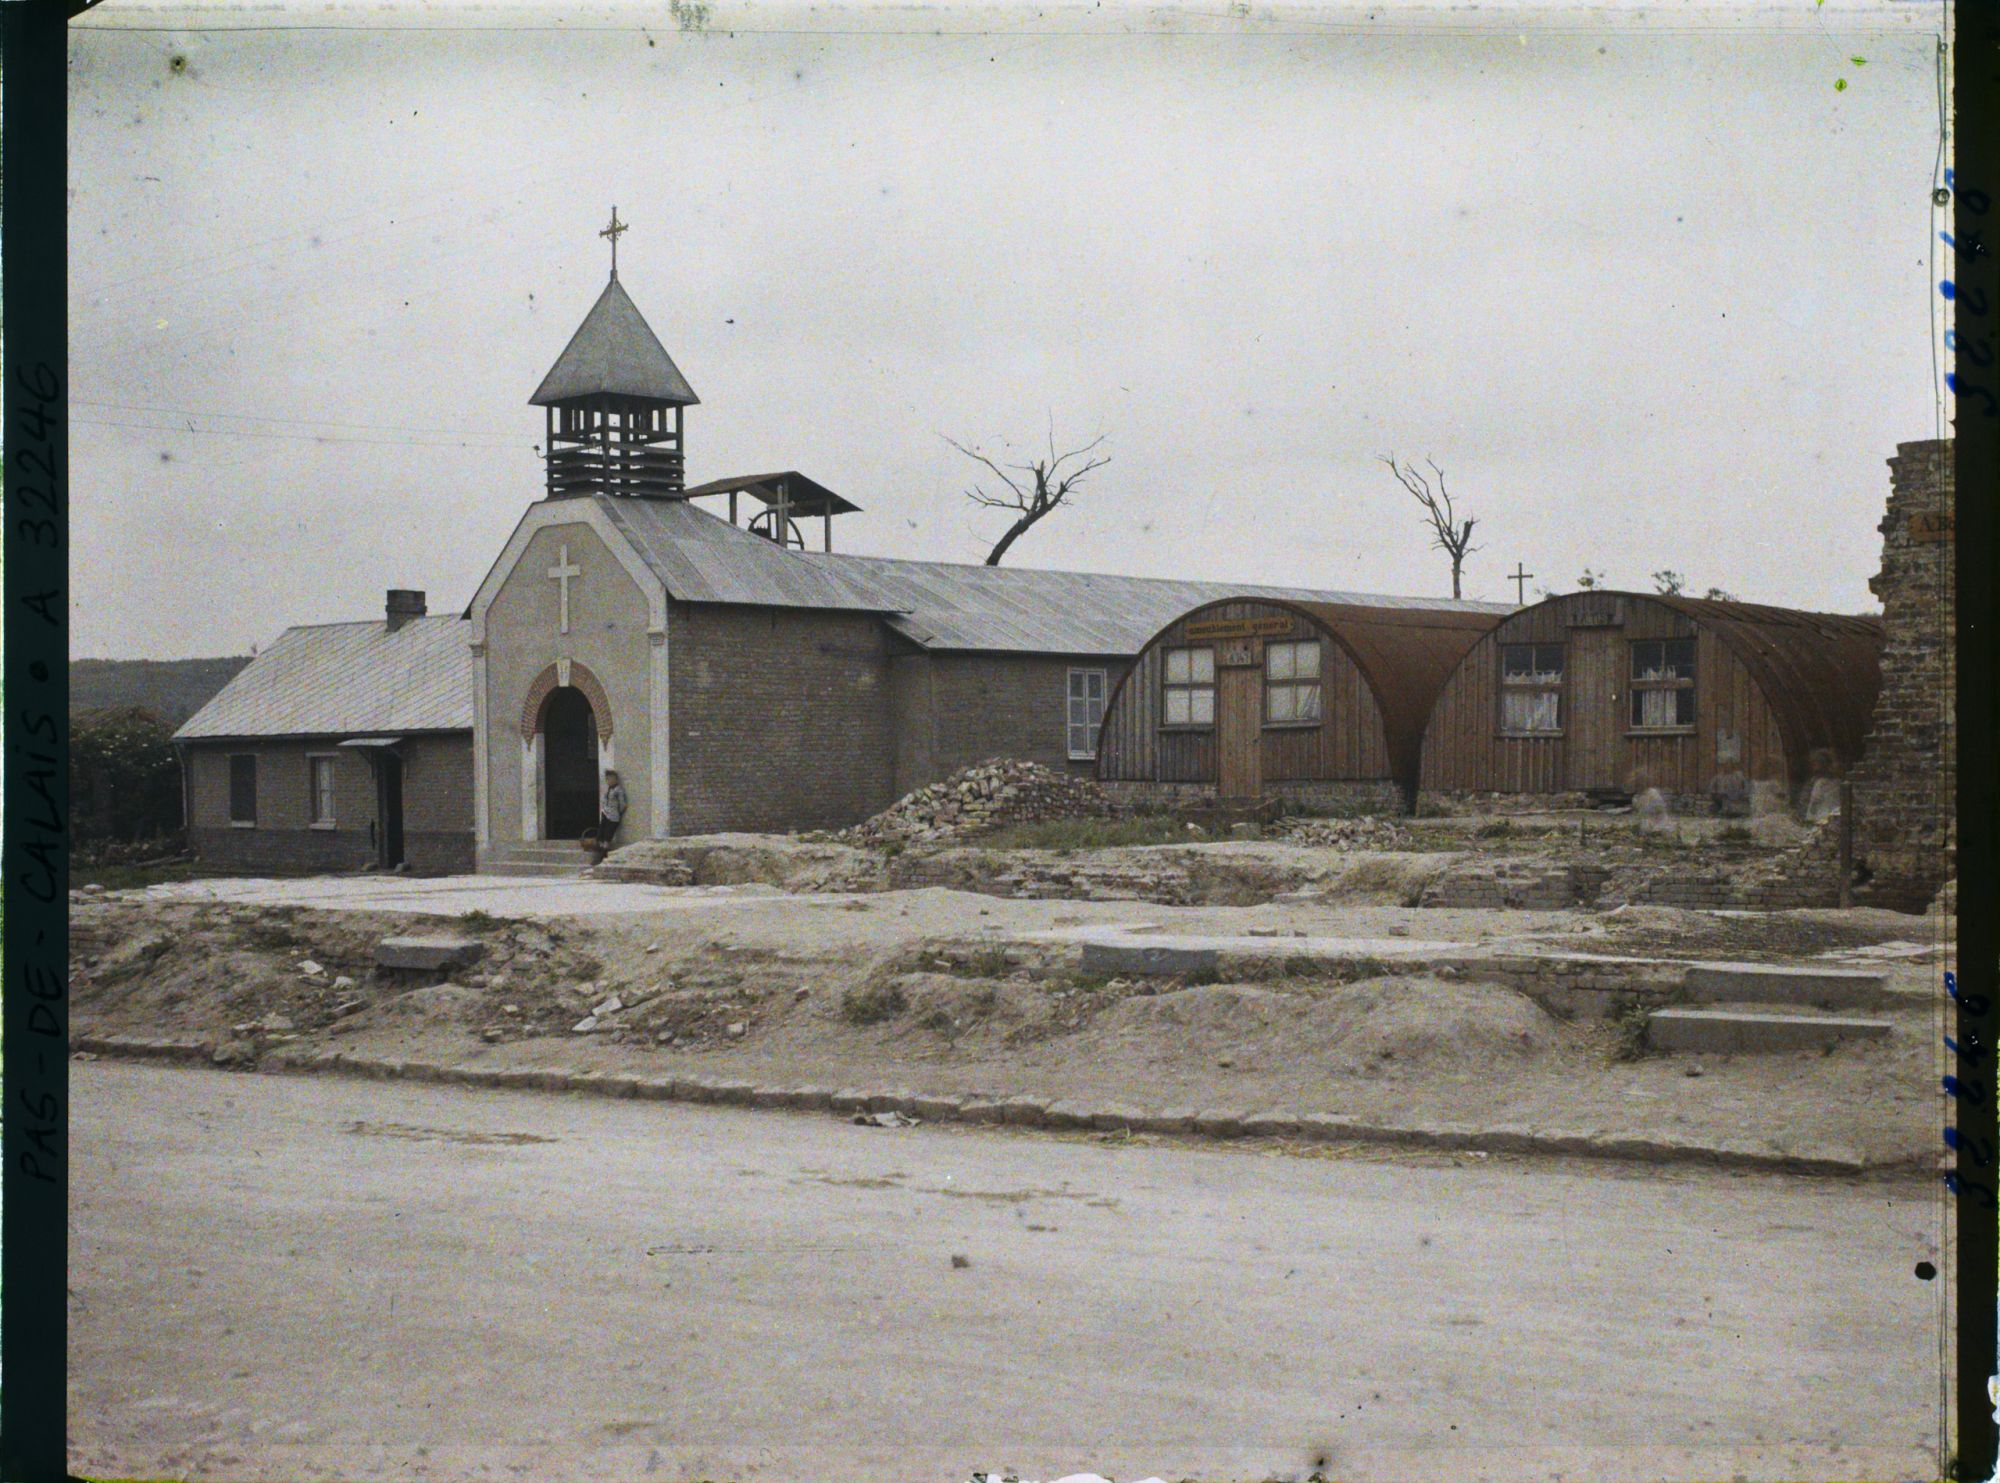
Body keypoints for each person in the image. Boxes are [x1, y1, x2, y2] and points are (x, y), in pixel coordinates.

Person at [595, 769, 628, 861]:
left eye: (610, 779)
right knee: (600, 834)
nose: (608, 781)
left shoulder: (618, 790)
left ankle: (603, 854)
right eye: (607, 779)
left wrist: (618, 812)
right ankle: (601, 851)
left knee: (608, 835)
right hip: (606, 813)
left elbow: (622, 805)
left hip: (613, 816)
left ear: (615, 780)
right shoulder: (608, 789)